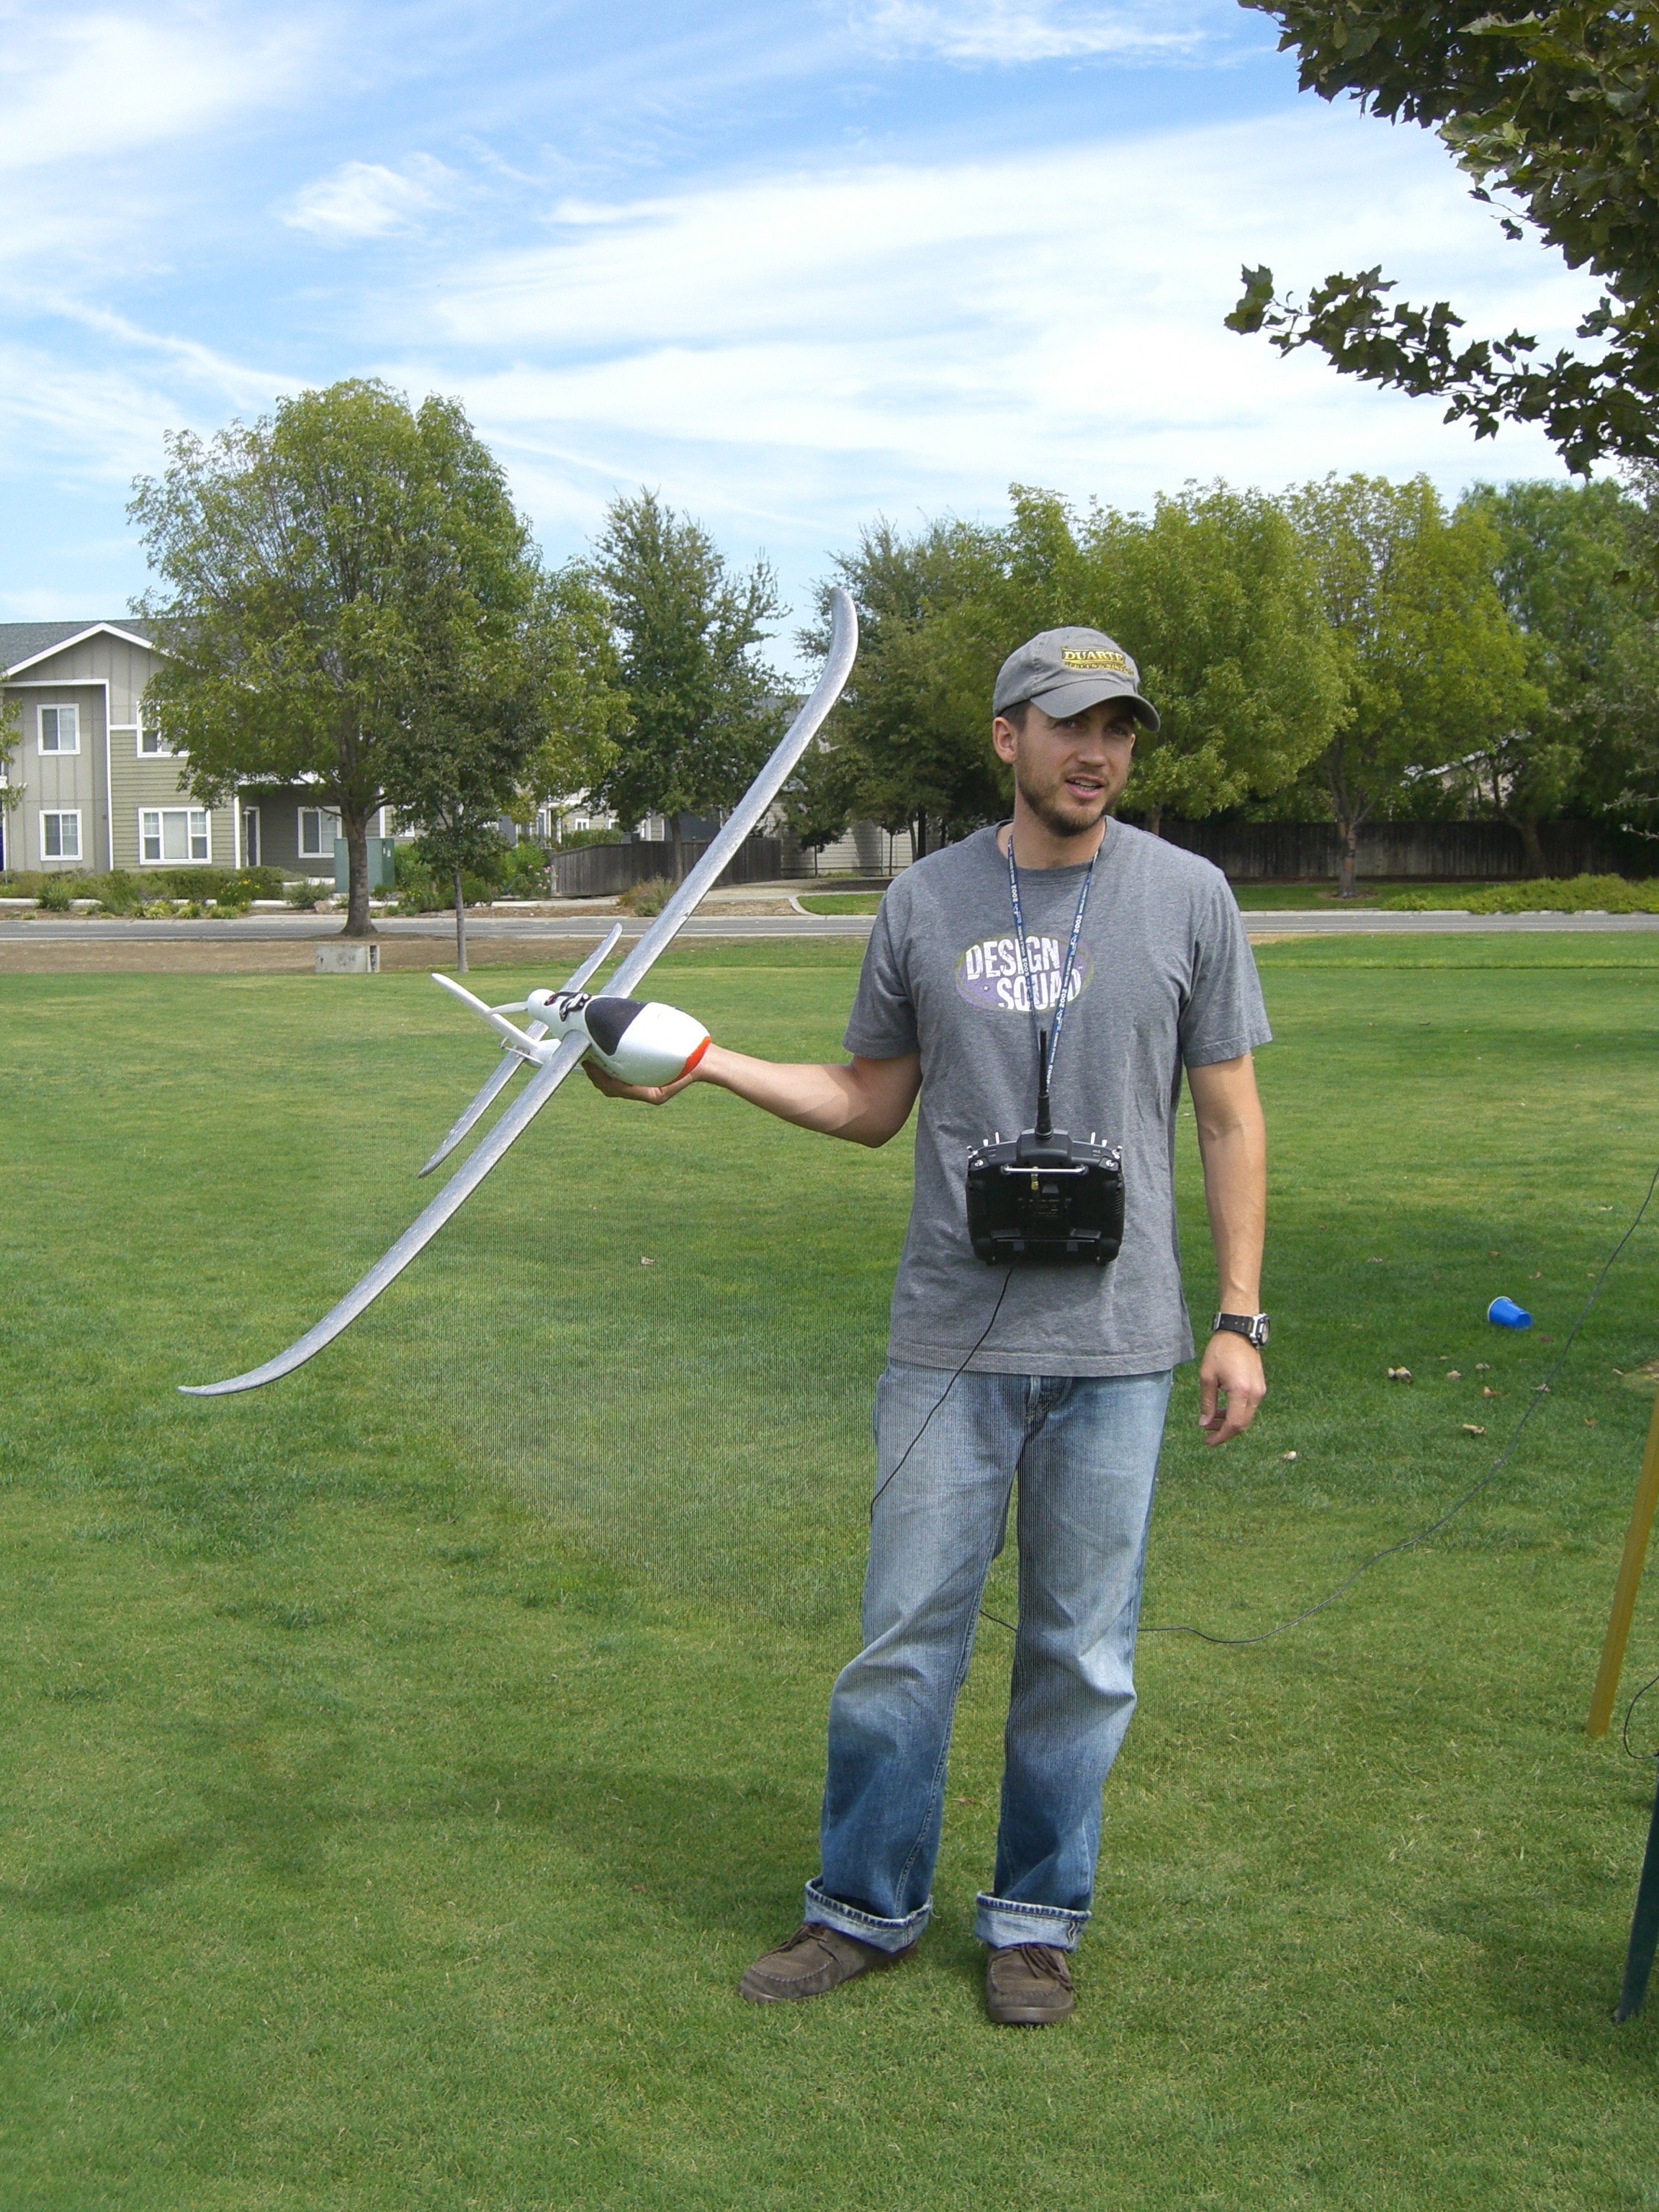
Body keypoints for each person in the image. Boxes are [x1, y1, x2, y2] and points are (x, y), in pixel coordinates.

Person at [586, 626, 1271, 2026]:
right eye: (1071, 724)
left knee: (1083, 1654)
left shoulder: (1191, 897)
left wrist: (1240, 1316)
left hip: (1121, 1351)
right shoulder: (925, 902)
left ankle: (1034, 1920)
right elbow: (868, 1100)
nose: (1099, 754)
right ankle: (862, 1907)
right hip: (947, 1344)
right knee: (905, 1634)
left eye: (1120, 729)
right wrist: (707, 1065)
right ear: (1007, 735)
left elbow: (1229, 1113)